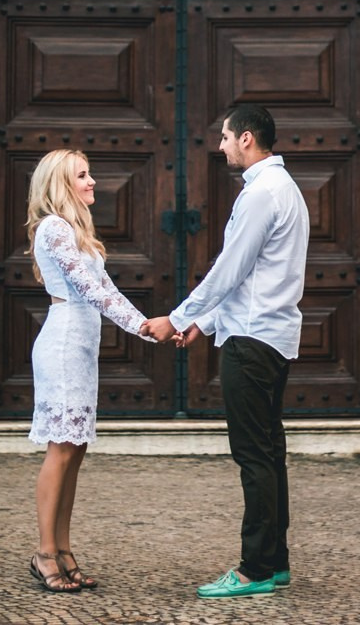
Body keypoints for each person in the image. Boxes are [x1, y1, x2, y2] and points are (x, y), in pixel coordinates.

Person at [142, 103, 309, 600]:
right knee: (270, 454)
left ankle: (255, 569)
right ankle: (274, 563)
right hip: (270, 336)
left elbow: (230, 269)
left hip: (252, 341)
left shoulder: (263, 194)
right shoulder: (285, 190)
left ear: (248, 139)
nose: (219, 146)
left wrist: (177, 316)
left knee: (254, 456)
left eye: (225, 137)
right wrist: (205, 321)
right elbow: (253, 274)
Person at [26, 148, 153, 593]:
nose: (92, 181)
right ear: (61, 184)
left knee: (75, 452)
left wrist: (149, 326)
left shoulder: (76, 230)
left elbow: (108, 288)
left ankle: (62, 548)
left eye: (89, 174)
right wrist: (143, 326)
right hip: (62, 346)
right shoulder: (54, 227)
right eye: (82, 175)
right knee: (60, 451)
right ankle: (44, 552)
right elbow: (90, 291)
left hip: (81, 347)